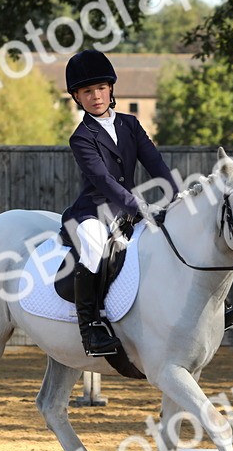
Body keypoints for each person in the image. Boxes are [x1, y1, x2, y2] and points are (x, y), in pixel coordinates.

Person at [60, 49, 181, 356]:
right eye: (87, 91)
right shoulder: (81, 137)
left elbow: (154, 161)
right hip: (94, 211)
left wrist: (175, 192)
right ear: (77, 97)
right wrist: (137, 206)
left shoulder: (130, 123)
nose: (96, 96)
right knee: (93, 247)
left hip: (128, 209)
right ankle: (91, 330)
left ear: (111, 88)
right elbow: (102, 180)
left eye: (100, 88)